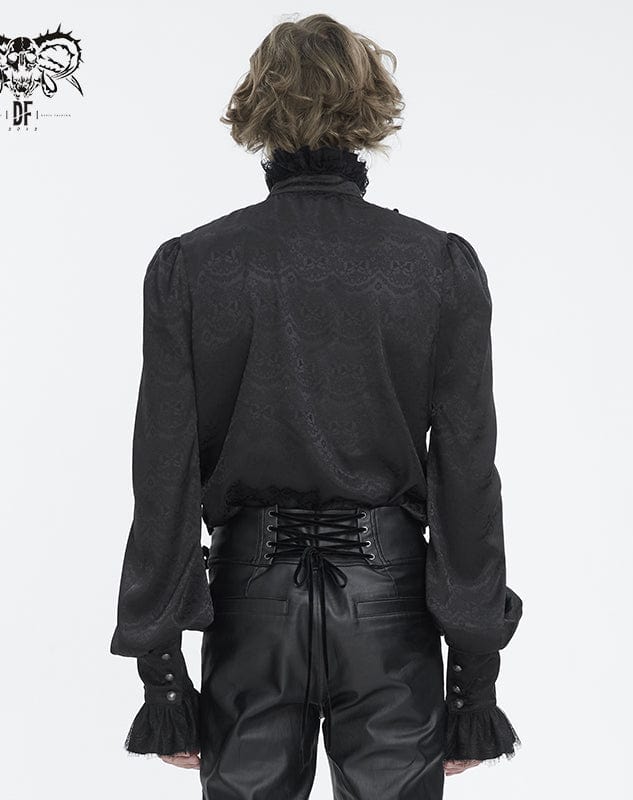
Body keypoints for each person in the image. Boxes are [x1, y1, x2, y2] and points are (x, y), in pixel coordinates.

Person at [110, 13, 523, 799]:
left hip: (250, 604)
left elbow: (162, 472)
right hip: (389, 606)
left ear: (257, 109)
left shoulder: (192, 268)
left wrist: (163, 679)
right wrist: (474, 684)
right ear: (369, 106)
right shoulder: (436, 267)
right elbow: (467, 476)